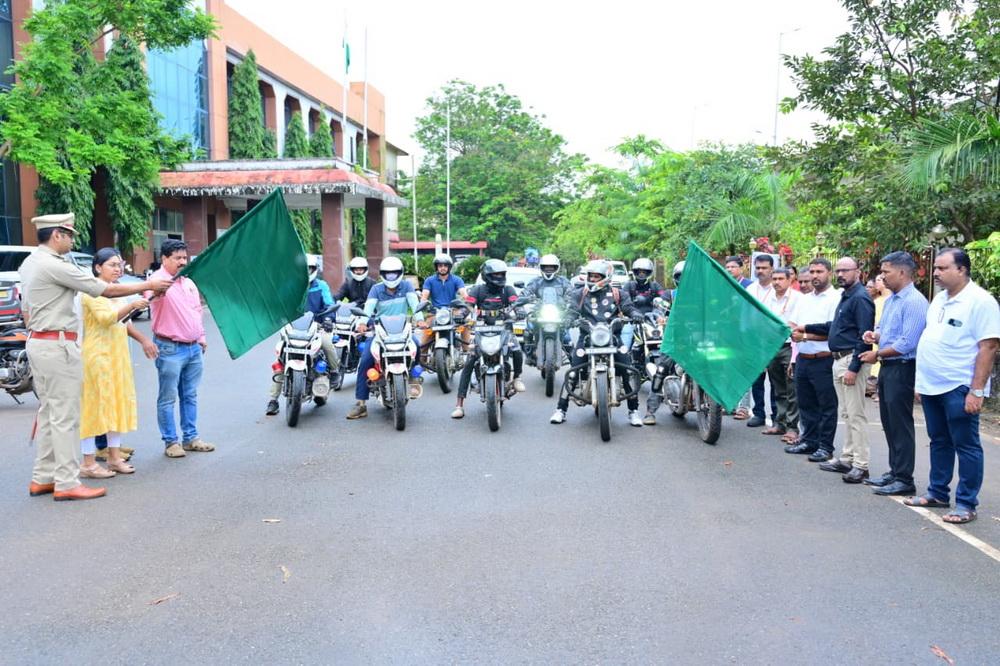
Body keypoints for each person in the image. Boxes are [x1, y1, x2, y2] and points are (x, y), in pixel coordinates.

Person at [18, 214, 170, 501]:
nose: (73, 240)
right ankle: (66, 482)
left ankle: (44, 477)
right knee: (65, 417)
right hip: (57, 344)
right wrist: (146, 286)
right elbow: (105, 290)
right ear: (57, 235)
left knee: (50, 414)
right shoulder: (53, 264)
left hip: (40, 341)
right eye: (70, 235)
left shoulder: (30, 263)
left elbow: (27, 310)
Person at [903, 248, 1000, 523]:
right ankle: (937, 493)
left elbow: (989, 346)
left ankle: (967, 503)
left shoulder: (981, 301)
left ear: (962, 270)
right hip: (932, 385)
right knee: (939, 441)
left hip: (959, 385)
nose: (936, 273)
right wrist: (921, 383)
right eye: (936, 268)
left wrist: (976, 390)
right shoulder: (940, 300)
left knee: (966, 445)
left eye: (943, 268)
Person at [79, 248, 158, 478]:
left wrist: (140, 331)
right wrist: (132, 306)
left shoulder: (117, 293)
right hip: (97, 357)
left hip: (117, 356)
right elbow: (106, 319)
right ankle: (88, 462)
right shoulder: (91, 292)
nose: (118, 269)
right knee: (93, 408)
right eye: (112, 265)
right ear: (97, 268)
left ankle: (114, 458)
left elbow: (122, 322)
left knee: (116, 405)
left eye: (119, 264)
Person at [856, 252, 927, 495]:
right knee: (889, 422)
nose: (882, 277)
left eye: (886, 272)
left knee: (900, 424)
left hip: (903, 368)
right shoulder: (892, 300)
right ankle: (895, 471)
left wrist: (877, 354)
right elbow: (886, 332)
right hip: (889, 366)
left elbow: (908, 342)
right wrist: (874, 337)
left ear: (902, 272)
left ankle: (905, 479)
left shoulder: (914, 301)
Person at [797, 257, 875, 481]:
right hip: (838, 359)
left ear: (857, 272)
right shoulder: (847, 295)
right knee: (847, 413)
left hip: (851, 359)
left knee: (856, 415)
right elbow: (836, 327)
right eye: (839, 270)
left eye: (845, 271)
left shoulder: (861, 298)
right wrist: (806, 327)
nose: (841, 274)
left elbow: (865, 336)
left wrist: (854, 367)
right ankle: (847, 458)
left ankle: (861, 464)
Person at [550, 259, 644, 427]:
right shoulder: (580, 293)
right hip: (587, 339)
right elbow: (572, 310)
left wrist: (636, 314)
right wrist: (568, 319)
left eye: (596, 276)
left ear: (606, 277)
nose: (592, 279)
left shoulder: (618, 293)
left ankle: (633, 411)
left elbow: (628, 308)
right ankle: (561, 410)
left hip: (613, 339)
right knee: (572, 373)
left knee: (627, 372)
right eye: (590, 276)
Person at [149, 239, 214, 459]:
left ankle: (191, 438)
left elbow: (197, 311)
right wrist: (156, 291)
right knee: (167, 397)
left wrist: (202, 337)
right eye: (177, 258)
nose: (182, 262)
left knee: (190, 395)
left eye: (184, 258)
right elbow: (148, 297)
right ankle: (171, 442)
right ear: (164, 259)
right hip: (169, 347)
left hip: (193, 348)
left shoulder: (188, 283)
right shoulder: (157, 282)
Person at [346, 256, 426, 420]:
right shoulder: (376, 289)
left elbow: (414, 306)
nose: (391, 277)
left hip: (402, 331)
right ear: (382, 274)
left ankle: (412, 376)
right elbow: (368, 309)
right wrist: (362, 323)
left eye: (394, 274)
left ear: (400, 273)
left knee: (417, 344)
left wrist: (420, 319)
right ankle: (361, 404)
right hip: (380, 332)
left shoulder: (407, 286)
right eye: (387, 274)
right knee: (366, 359)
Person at [450, 259, 527, 418]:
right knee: (470, 361)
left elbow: (516, 303)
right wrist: (461, 315)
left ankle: (517, 377)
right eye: (495, 274)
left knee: (517, 350)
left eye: (501, 274)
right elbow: (468, 305)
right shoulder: (478, 290)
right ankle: (459, 404)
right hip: (481, 331)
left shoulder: (508, 290)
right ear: (487, 275)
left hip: (504, 330)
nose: (499, 277)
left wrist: (520, 311)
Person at [265, 255, 339, 416]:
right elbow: (281, 302)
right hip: (293, 328)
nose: (306, 272)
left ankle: (334, 372)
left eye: (309, 269)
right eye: (302, 269)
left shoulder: (321, 286)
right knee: (280, 358)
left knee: (327, 343)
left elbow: (329, 303)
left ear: (315, 270)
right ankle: (273, 400)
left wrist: (328, 318)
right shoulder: (290, 286)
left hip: (316, 326)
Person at [786, 259, 841, 462]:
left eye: (819, 271)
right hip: (803, 358)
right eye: (812, 271)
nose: (815, 275)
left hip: (824, 359)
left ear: (830, 273)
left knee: (826, 406)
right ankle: (809, 441)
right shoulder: (804, 299)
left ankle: (826, 446)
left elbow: (833, 330)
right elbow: (793, 324)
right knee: (806, 403)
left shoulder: (837, 298)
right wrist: (795, 334)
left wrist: (806, 334)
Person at [642, 261, 685, 425]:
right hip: (673, 340)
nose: (685, 280)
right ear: (676, 278)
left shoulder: (704, 297)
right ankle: (650, 411)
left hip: (697, 341)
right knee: (661, 370)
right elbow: (659, 308)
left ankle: (720, 401)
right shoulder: (670, 295)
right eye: (681, 276)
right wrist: (660, 316)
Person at [761, 268, 800, 438]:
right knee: (778, 388)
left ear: (789, 280)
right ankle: (780, 423)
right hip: (772, 346)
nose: (776, 282)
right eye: (774, 279)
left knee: (792, 388)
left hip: (790, 345)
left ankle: (792, 427)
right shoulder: (767, 298)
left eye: (780, 278)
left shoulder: (798, 299)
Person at [516, 253, 573, 360]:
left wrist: (569, 302)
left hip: (559, 313)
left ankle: (574, 364)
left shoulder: (563, 281)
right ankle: (529, 354)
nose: (548, 269)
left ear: (557, 268)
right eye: (546, 267)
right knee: (528, 331)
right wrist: (522, 302)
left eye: (551, 267)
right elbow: (525, 292)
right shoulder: (536, 281)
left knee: (567, 339)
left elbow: (572, 294)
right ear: (541, 267)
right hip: (539, 312)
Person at [744, 255, 778, 428]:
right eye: (757, 268)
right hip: (754, 341)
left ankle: (776, 414)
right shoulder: (750, 289)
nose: (760, 271)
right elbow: (745, 314)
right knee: (757, 379)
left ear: (772, 268)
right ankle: (758, 413)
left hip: (773, 341)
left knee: (775, 380)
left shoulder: (778, 288)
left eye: (764, 268)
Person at [866, 274, 888, 398]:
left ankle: (879, 391)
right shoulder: (876, 301)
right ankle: (874, 389)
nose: (878, 282)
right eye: (877, 280)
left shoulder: (890, 299)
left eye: (880, 280)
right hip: (875, 335)